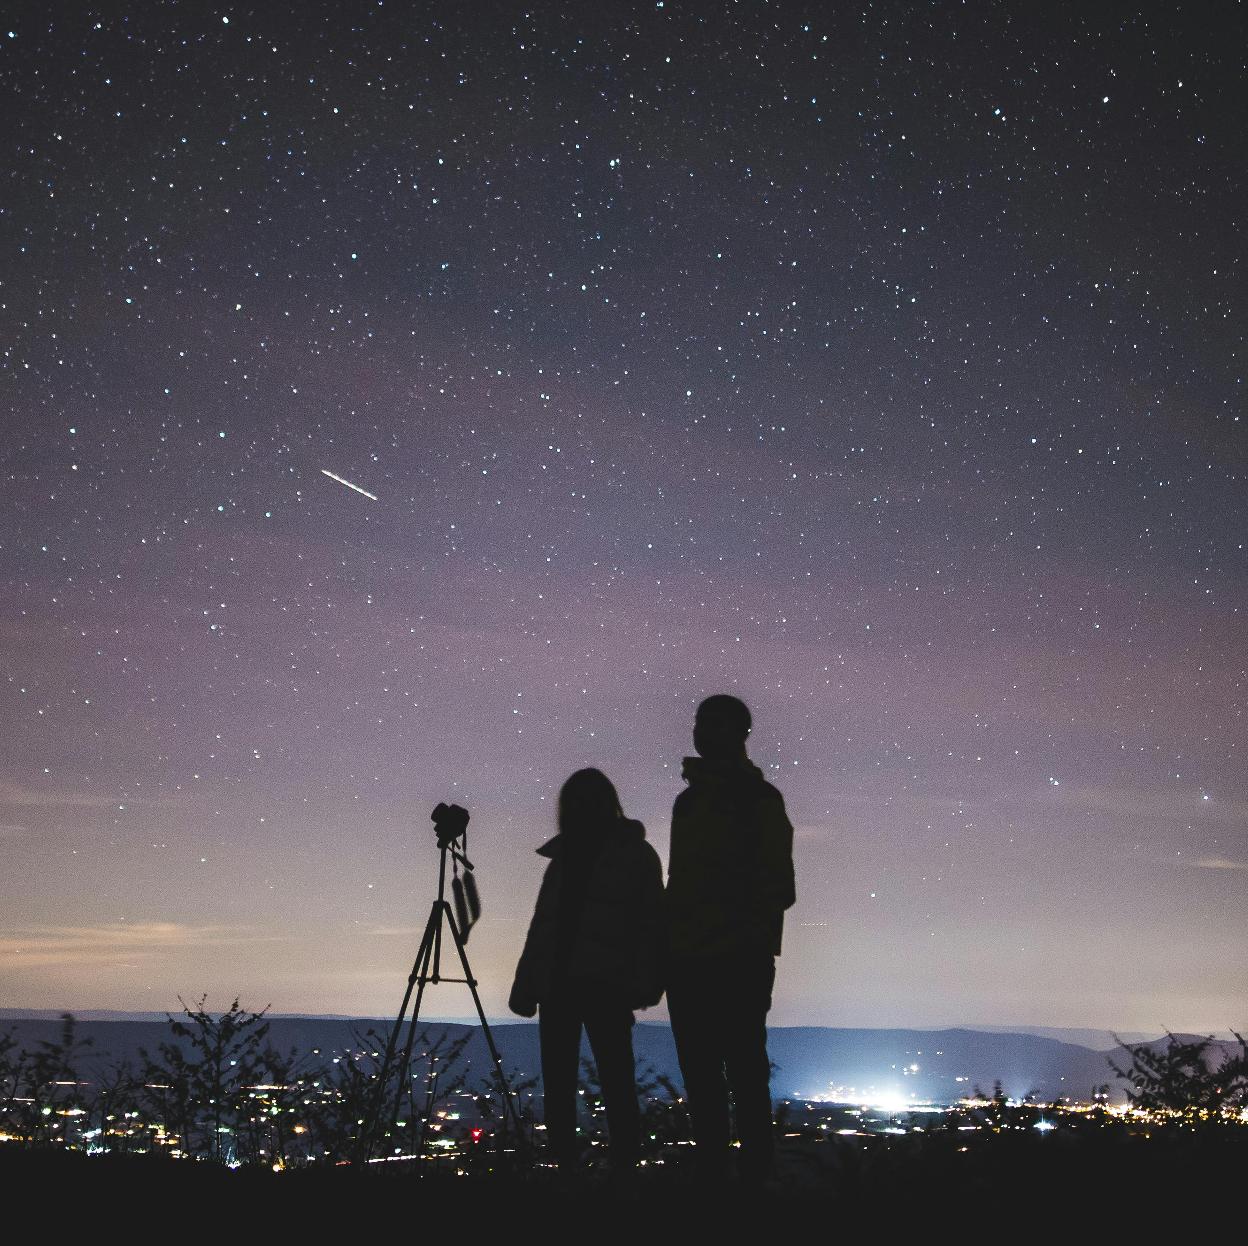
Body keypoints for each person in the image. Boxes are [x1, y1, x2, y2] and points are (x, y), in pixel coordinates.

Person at [665, 694, 796, 1181]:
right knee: (710, 1076)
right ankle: (721, 1182)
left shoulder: (758, 800)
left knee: (740, 1073)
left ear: (740, 733)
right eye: (700, 723)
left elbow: (779, 886)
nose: (701, 733)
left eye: (713, 724)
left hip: (735, 957)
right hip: (696, 958)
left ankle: (746, 1184)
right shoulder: (691, 802)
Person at [509, 768, 665, 1172]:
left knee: (613, 1082)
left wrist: (645, 981)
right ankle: (574, 1170)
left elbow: (651, 924)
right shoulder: (566, 860)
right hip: (564, 985)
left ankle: (619, 1172)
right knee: (569, 1085)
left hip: (604, 985)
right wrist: (526, 984)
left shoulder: (632, 856)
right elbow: (543, 927)